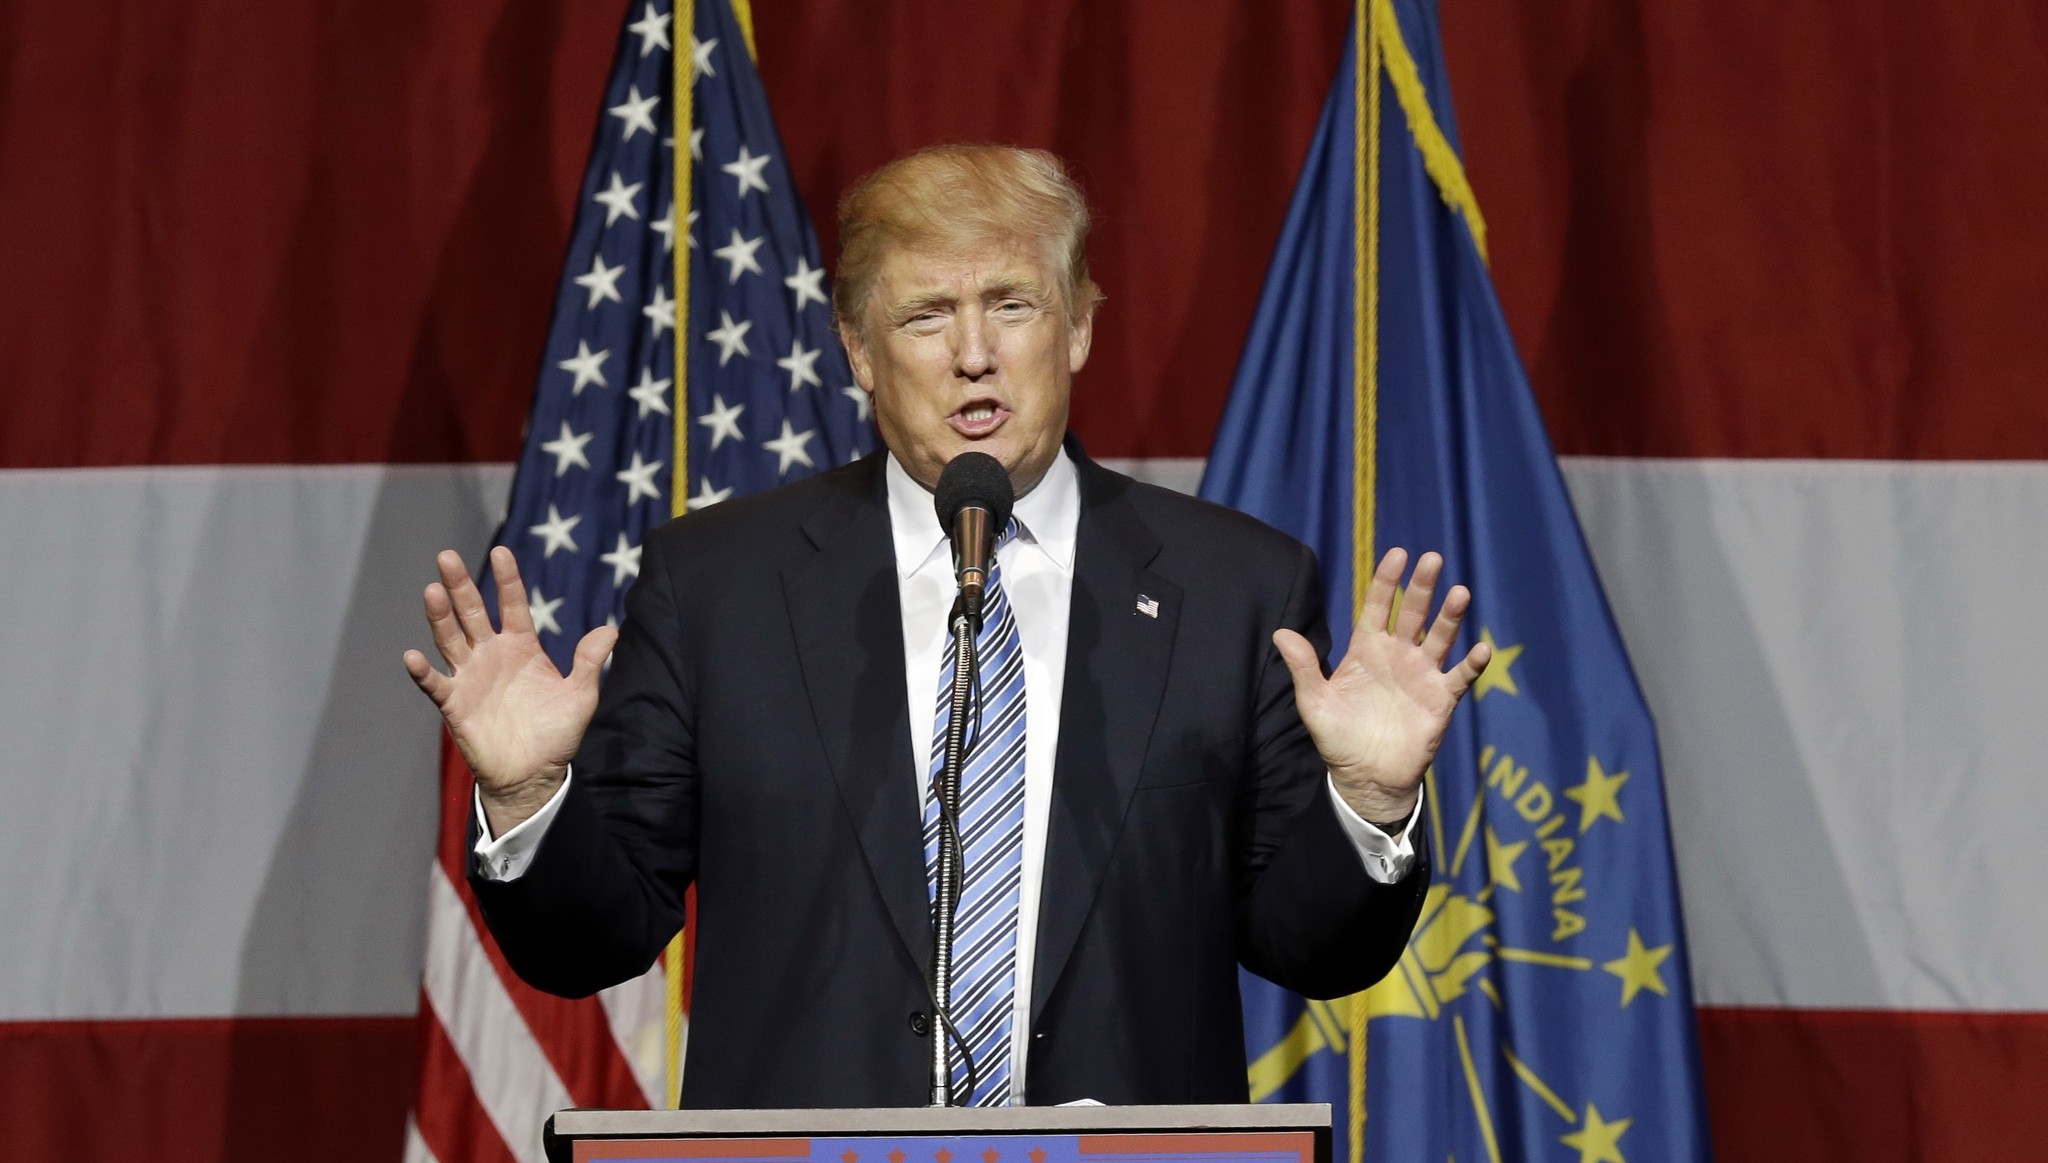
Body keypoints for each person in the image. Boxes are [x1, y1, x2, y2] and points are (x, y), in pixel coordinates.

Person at [403, 145, 1490, 1109]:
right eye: (924, 315)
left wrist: (1370, 801)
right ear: (858, 350)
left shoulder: (1233, 586)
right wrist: (527, 797)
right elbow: (594, 938)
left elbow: (1309, 944)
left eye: (1011, 305)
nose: (972, 353)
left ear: (1076, 328)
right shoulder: (717, 586)